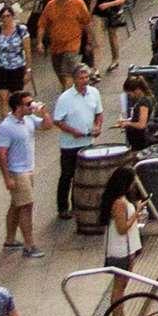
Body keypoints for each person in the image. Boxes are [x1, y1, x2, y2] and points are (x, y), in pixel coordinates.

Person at [48, 66, 107, 222]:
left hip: (87, 141)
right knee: (67, 175)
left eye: (86, 77)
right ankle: (62, 207)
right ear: (74, 79)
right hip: (70, 144)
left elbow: (99, 113)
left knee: (82, 176)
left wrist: (97, 126)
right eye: (81, 78)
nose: (85, 81)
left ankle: (77, 204)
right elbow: (58, 121)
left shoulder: (94, 93)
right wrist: (72, 131)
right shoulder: (65, 98)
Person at [93, 186, 152, 316]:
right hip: (120, 251)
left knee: (122, 286)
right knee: (118, 289)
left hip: (128, 247)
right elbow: (122, 228)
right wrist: (136, 213)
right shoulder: (119, 203)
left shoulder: (123, 199)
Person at [0, 94, 38, 258]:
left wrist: (43, 113)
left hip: (28, 169)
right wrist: (7, 177)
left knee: (16, 205)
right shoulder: (6, 127)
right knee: (26, 206)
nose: (32, 105)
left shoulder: (29, 119)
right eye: (28, 103)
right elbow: (1, 153)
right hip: (18, 171)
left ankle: (10, 240)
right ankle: (29, 245)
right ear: (18, 107)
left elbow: (48, 125)